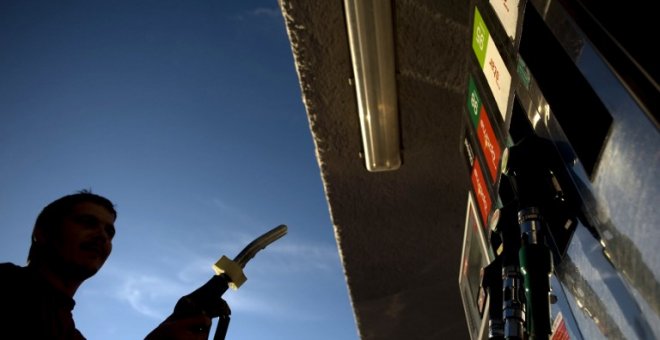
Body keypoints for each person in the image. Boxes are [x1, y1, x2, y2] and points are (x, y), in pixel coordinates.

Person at [0, 190, 226, 339]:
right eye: (87, 223)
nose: (102, 236)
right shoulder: (7, 284)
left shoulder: (67, 330)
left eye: (109, 232)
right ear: (43, 233)